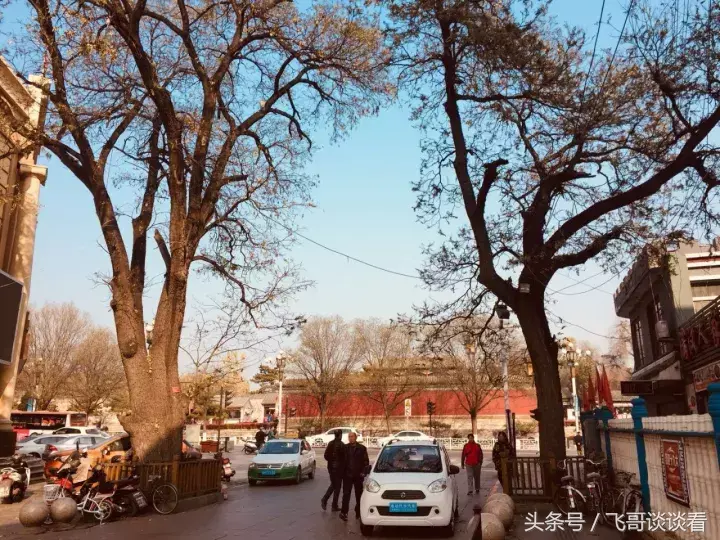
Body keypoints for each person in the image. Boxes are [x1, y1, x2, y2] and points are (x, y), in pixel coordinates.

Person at [340, 432, 369, 521]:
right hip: (347, 475)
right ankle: (344, 512)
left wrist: (363, 472)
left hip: (358, 475)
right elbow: (341, 461)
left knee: (359, 495)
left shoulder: (362, 448)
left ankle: (358, 512)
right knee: (346, 494)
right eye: (349, 437)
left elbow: (366, 461)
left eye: (352, 436)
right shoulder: (345, 448)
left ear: (355, 437)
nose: (350, 438)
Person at [321, 430, 345, 511]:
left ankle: (332, 504)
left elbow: (326, 455)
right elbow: (344, 458)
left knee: (335, 485)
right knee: (336, 486)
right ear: (340, 435)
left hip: (331, 468)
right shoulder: (341, 445)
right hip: (338, 469)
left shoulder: (331, 443)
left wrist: (331, 461)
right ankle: (327, 500)